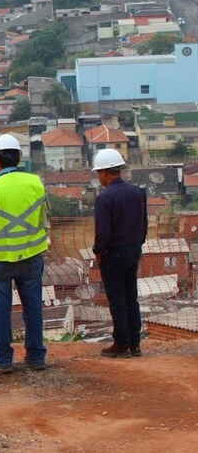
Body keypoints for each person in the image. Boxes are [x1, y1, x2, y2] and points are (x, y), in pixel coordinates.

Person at [0, 134, 49, 374]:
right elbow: (44, 219)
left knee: (1, 310)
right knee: (33, 307)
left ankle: (4, 359)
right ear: (19, 158)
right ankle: (36, 356)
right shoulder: (36, 184)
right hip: (31, 256)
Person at [91, 149, 148, 358]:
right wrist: (138, 244)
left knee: (117, 299)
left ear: (106, 172)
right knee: (131, 297)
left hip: (113, 253)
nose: (99, 177)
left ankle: (121, 344)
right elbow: (144, 224)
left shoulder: (105, 198)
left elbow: (103, 232)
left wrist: (98, 251)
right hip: (133, 250)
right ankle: (135, 343)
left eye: (99, 173)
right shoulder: (137, 193)